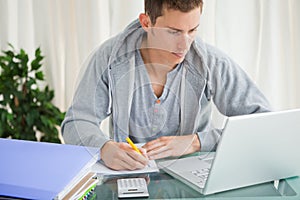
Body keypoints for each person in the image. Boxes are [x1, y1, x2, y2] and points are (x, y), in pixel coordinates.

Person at [61, 0, 271, 171]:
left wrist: (196, 142)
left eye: (193, 30)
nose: (185, 44)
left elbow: (263, 123)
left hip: (195, 176)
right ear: (146, 22)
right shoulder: (109, 58)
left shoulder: (212, 62)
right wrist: (103, 148)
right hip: (128, 177)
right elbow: (76, 123)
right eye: (173, 32)